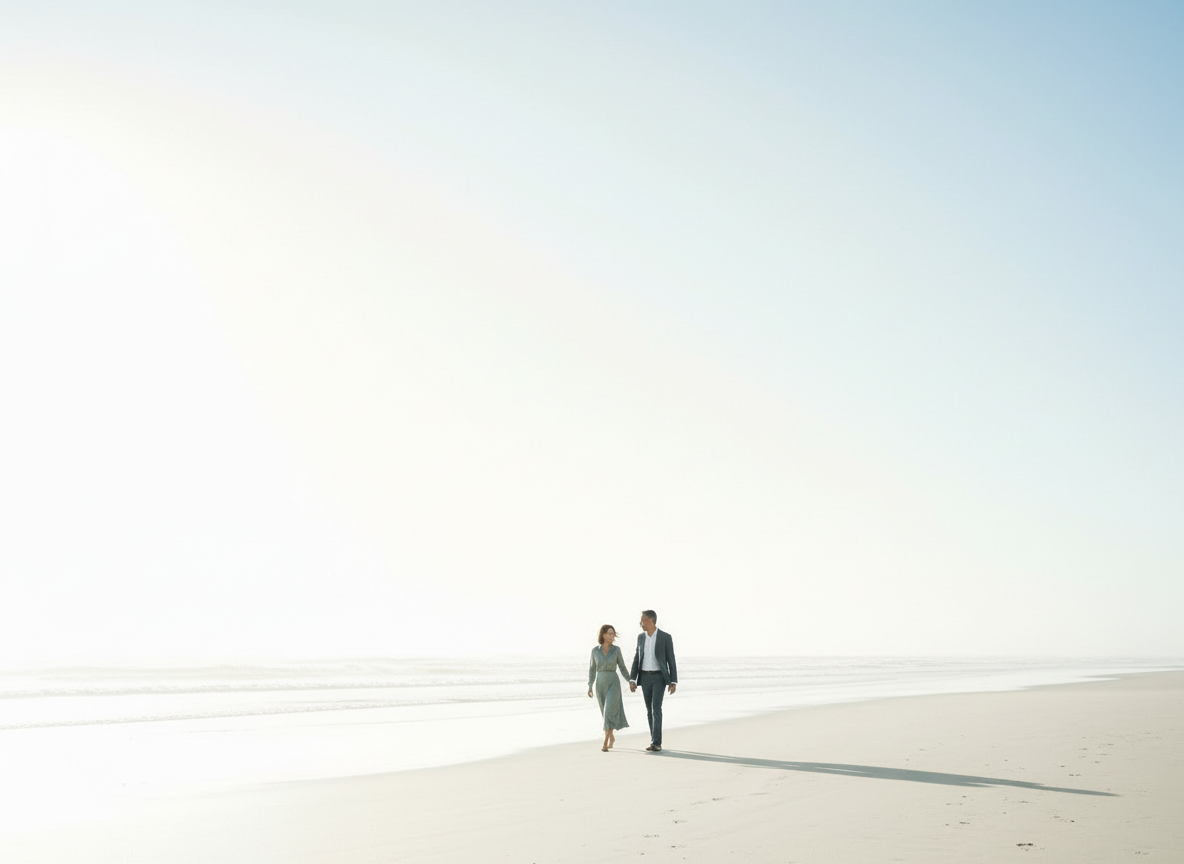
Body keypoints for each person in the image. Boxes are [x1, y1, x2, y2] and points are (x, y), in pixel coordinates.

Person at [628, 609, 677, 752]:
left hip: (659, 678)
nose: (640, 623)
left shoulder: (665, 637)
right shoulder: (641, 637)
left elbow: (671, 659)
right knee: (649, 710)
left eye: (642, 620)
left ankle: (657, 742)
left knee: (656, 709)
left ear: (651, 621)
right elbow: (637, 658)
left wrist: (673, 681)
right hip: (644, 677)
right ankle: (653, 740)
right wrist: (633, 679)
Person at [587, 624, 630, 751]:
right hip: (600, 683)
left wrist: (630, 680)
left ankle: (605, 742)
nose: (612, 636)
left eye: (613, 634)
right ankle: (611, 736)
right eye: (610, 633)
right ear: (603, 635)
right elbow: (592, 669)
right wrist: (590, 685)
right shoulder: (595, 651)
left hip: (613, 682)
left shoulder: (616, 650)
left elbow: (622, 667)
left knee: (608, 711)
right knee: (604, 712)